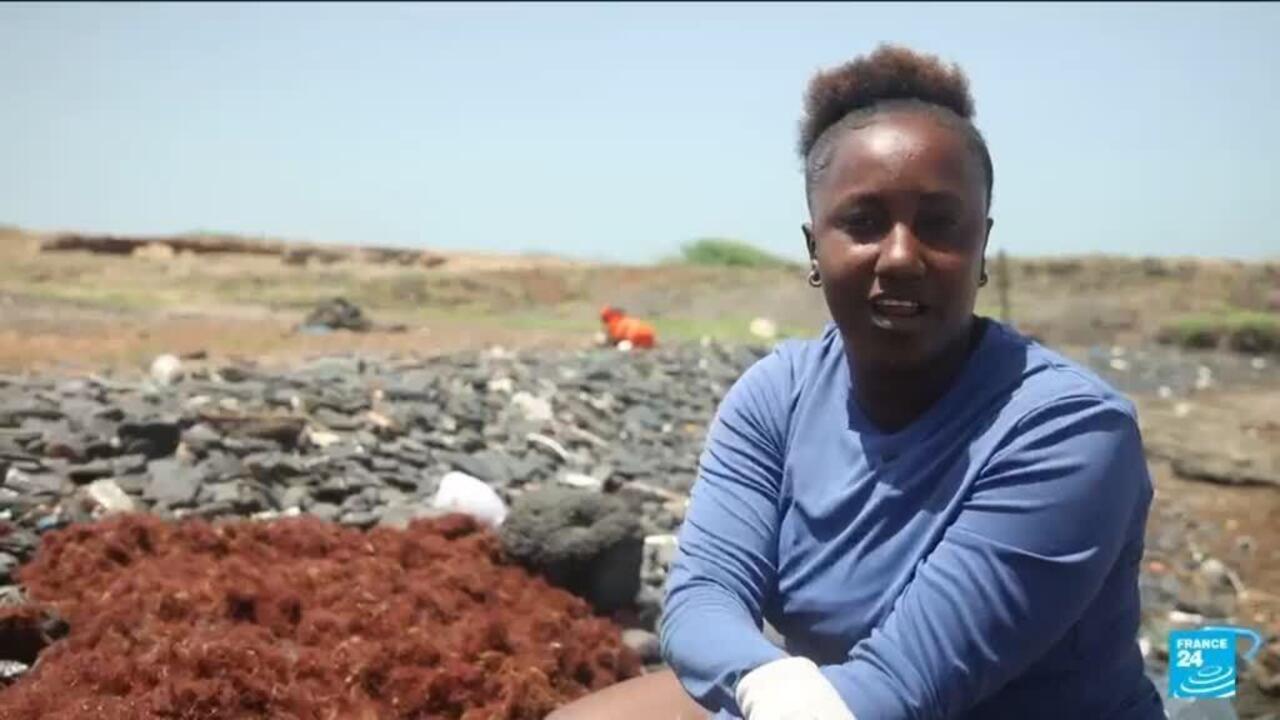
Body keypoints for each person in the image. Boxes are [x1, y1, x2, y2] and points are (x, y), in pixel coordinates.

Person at [551, 44, 1165, 719]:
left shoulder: (1069, 432)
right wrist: (761, 681)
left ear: (981, 247)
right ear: (816, 249)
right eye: (864, 223)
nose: (901, 256)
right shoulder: (777, 396)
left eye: (938, 225)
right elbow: (703, 602)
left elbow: (901, 688)